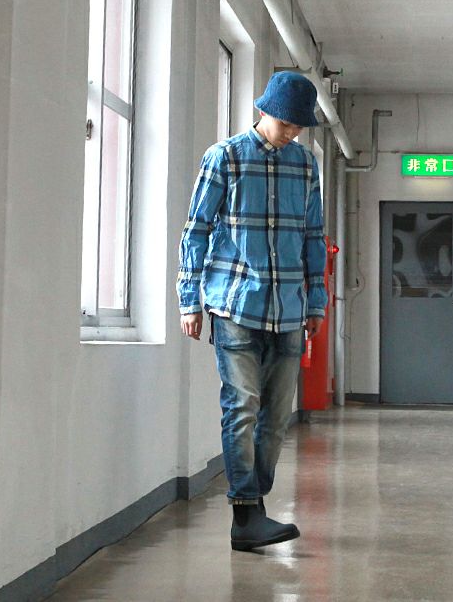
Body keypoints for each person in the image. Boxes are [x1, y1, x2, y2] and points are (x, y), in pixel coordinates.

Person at [177, 71, 327, 551]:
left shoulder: (305, 164)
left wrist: (316, 300)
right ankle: (245, 512)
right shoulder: (224, 157)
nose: (292, 133)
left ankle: (254, 503)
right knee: (241, 407)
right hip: (235, 304)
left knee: (277, 417)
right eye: (286, 124)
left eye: (299, 127)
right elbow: (196, 230)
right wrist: (189, 299)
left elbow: (313, 236)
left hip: (290, 309)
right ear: (263, 111)